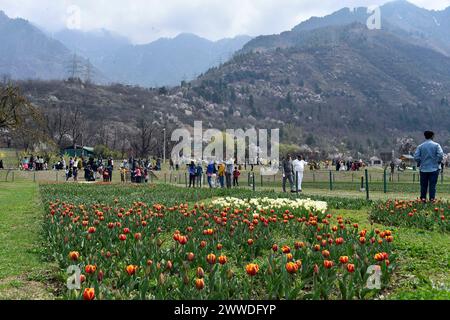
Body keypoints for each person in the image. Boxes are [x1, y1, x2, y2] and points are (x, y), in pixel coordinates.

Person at [414, 131, 444, 202]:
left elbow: (416, 157)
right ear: (432, 136)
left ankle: (423, 199)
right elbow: (440, 154)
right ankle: (432, 199)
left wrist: (420, 161)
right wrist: (437, 161)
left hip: (423, 169)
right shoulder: (436, 145)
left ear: (425, 136)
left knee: (423, 186)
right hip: (434, 168)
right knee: (432, 186)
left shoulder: (420, 146)